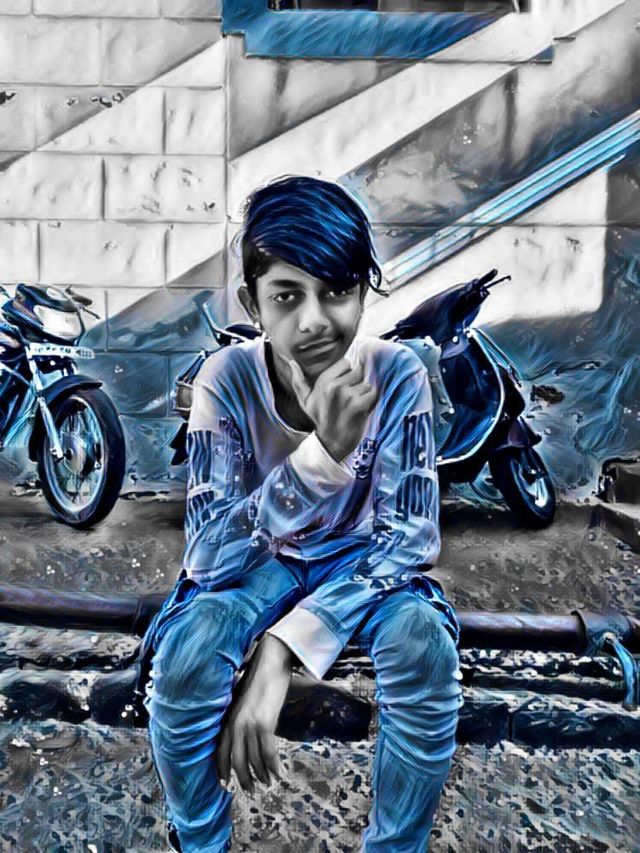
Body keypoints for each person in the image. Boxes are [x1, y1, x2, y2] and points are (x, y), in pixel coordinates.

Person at [143, 175, 464, 852]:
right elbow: (208, 557)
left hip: (361, 565)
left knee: (423, 646)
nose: (314, 320)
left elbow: (408, 541)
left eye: (336, 290)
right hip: (260, 565)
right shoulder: (227, 379)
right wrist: (321, 457)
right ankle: (199, 840)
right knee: (187, 656)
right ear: (253, 303)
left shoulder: (396, 374)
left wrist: (282, 648)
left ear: (363, 293)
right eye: (287, 295)